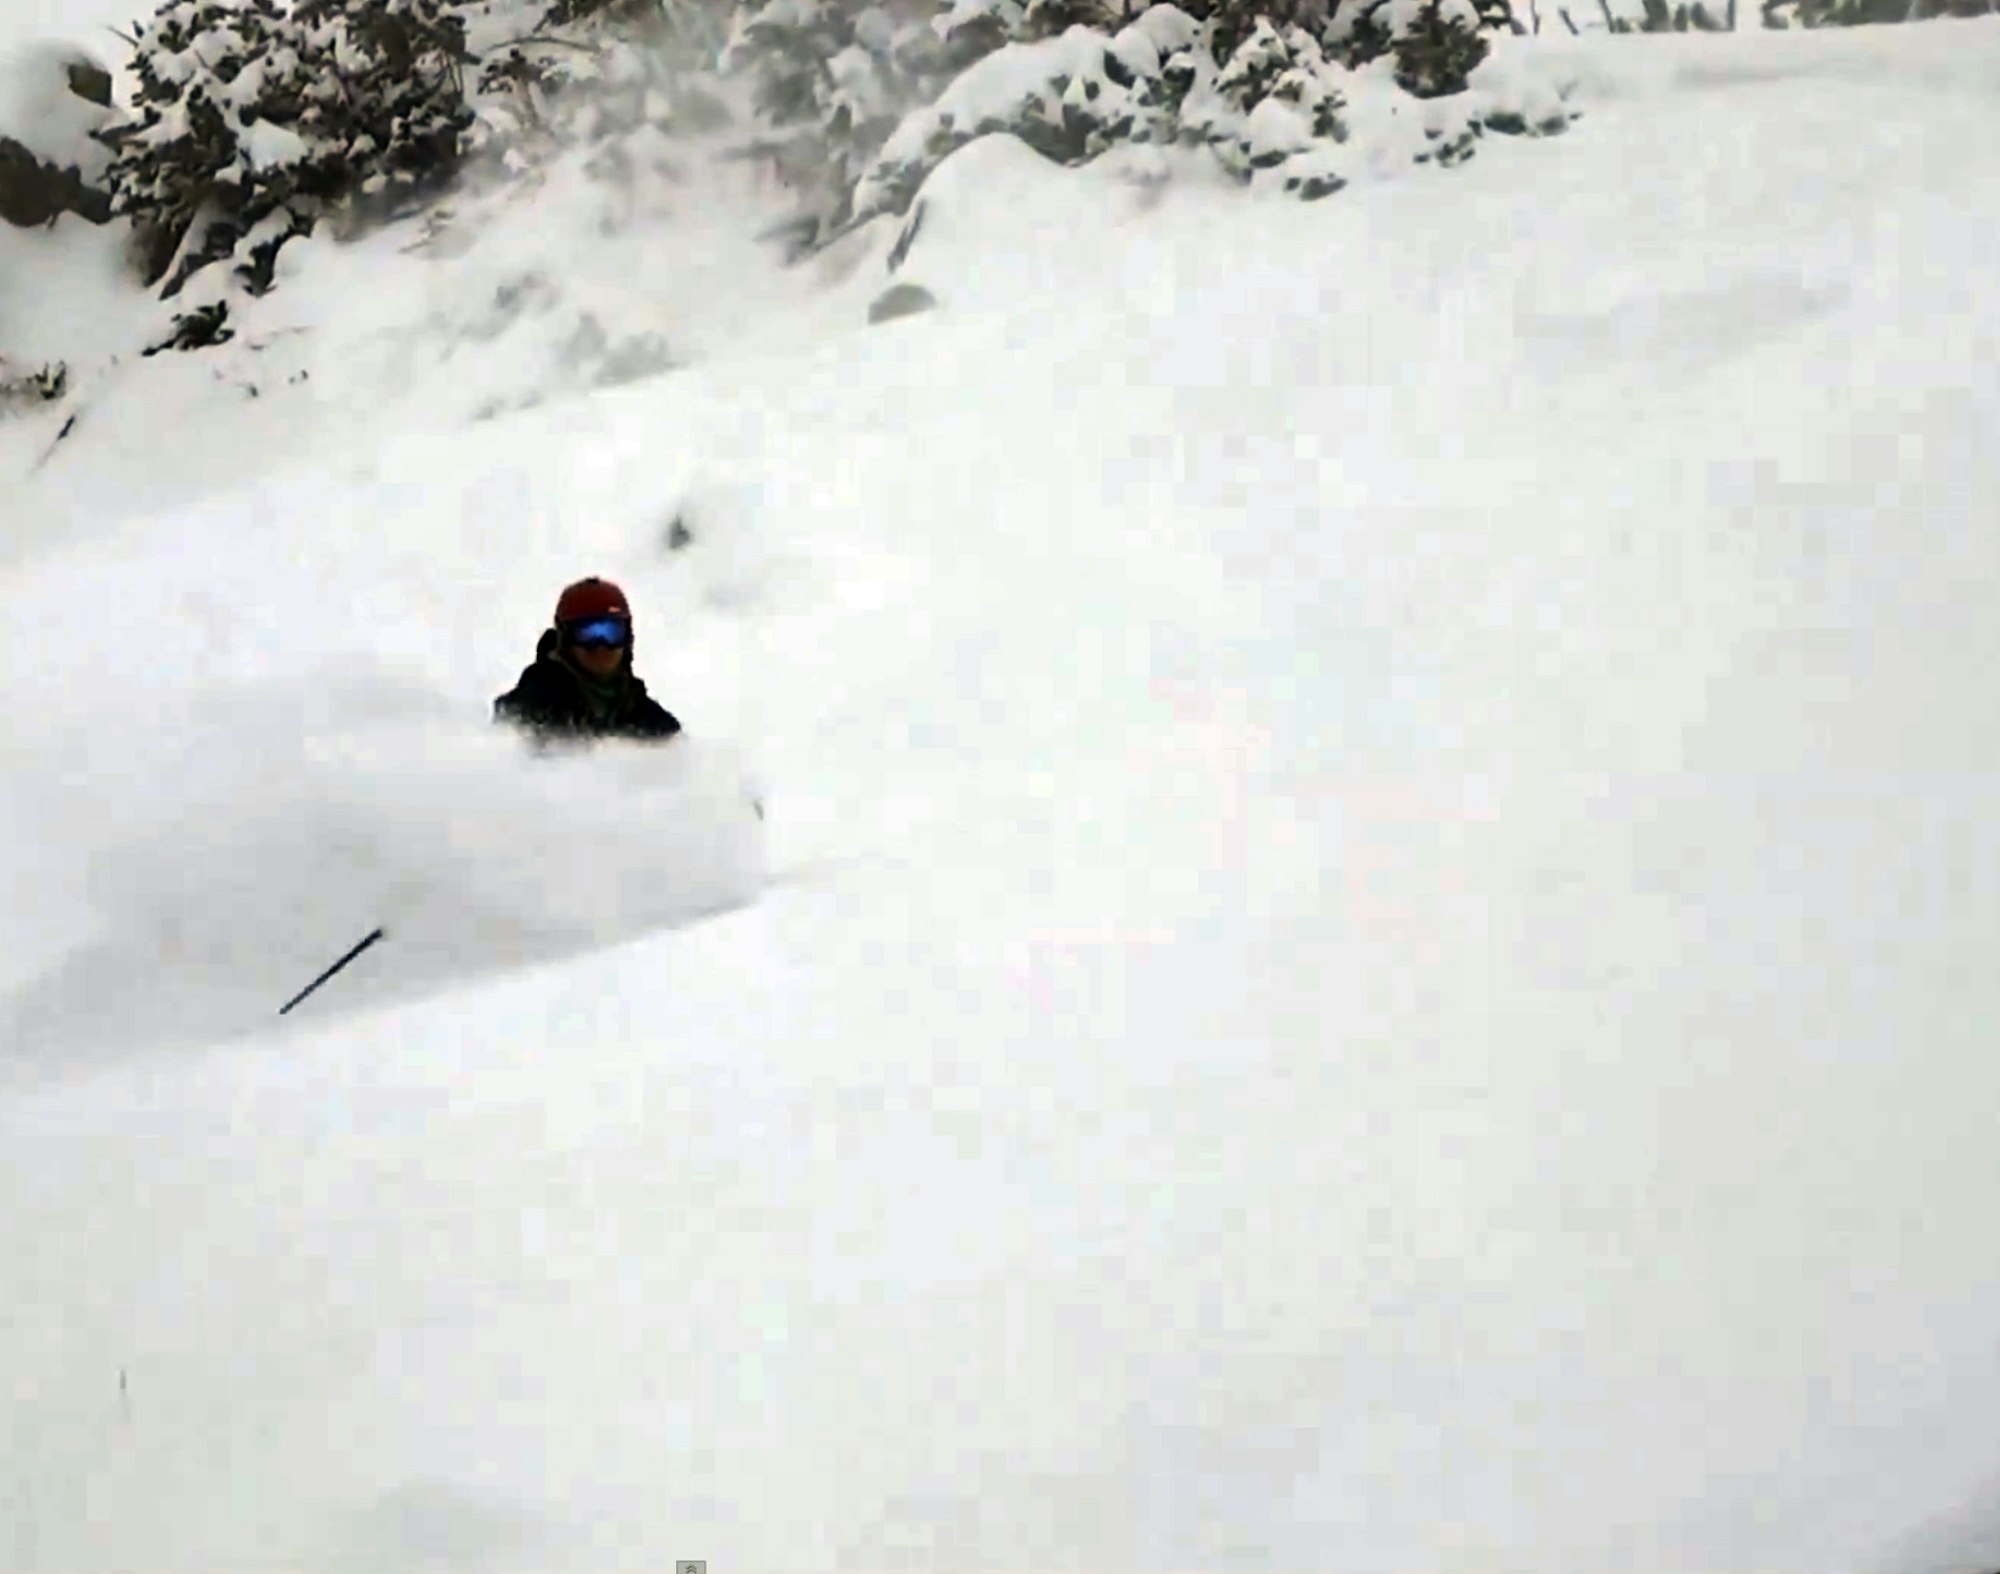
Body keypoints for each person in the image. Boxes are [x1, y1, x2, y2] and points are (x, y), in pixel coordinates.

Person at [493, 577, 682, 743]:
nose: (601, 646)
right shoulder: (534, 703)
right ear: (566, 640)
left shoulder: (647, 717)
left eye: (611, 633)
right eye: (589, 633)